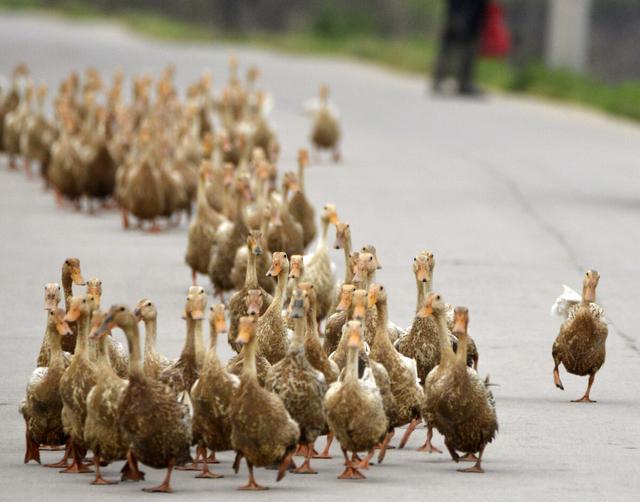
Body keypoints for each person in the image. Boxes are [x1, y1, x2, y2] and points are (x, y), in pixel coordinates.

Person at [432, 0, 489, 96]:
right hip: (460, 11)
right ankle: (439, 80)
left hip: (473, 13)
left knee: (469, 46)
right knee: (452, 42)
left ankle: (464, 83)